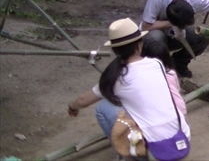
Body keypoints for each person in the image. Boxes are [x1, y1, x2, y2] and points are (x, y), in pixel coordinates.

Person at [67, 18, 191, 157]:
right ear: (139, 45)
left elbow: (83, 100)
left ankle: (128, 153)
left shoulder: (117, 78)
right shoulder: (157, 63)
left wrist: (72, 107)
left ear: (115, 50)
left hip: (152, 150)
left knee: (103, 107)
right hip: (181, 138)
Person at [140, 0, 209, 78]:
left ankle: (178, 63)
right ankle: (159, 68)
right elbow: (146, 26)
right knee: (156, 38)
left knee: (202, 36)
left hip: (172, 35)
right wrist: (172, 24)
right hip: (151, 35)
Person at [142, 38, 187, 118]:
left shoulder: (148, 77)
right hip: (181, 109)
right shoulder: (171, 73)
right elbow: (177, 89)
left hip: (167, 113)